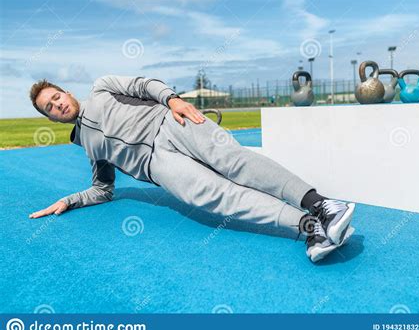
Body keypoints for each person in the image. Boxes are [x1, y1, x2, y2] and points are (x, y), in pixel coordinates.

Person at [28, 75, 356, 263]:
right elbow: (103, 189)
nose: (58, 104)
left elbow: (145, 85)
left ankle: (322, 205)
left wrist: (173, 100)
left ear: (67, 92)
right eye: (50, 107)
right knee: (217, 197)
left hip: (171, 123)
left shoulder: (102, 87)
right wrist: (69, 201)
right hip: (159, 165)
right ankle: (309, 225)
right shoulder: (85, 143)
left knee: (235, 162)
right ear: (51, 117)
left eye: (57, 96)